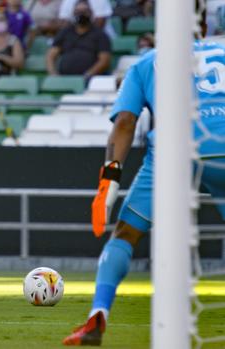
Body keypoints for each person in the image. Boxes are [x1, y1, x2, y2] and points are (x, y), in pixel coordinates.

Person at [62, 6, 225, 346]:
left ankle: (98, 316)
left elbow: (124, 123)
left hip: (173, 152)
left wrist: (110, 181)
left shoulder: (148, 60)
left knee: (125, 234)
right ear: (205, 22)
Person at [45, 0, 111, 80]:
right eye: (78, 11)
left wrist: (88, 75)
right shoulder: (65, 32)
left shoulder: (100, 35)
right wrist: (53, 74)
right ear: (73, 13)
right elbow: (51, 55)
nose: (81, 14)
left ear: (91, 13)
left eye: (84, 11)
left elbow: (104, 60)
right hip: (64, 78)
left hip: (90, 79)